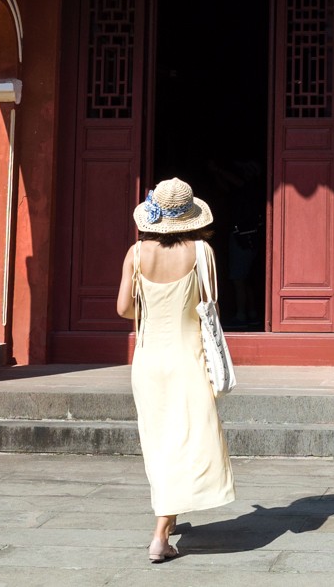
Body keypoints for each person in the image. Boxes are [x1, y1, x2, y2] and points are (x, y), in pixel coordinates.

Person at [118, 177, 237, 563]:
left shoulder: (136, 254)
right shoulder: (202, 252)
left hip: (149, 358)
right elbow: (209, 302)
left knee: (159, 440)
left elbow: (123, 309)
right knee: (187, 437)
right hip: (188, 356)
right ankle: (160, 535)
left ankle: (169, 516)